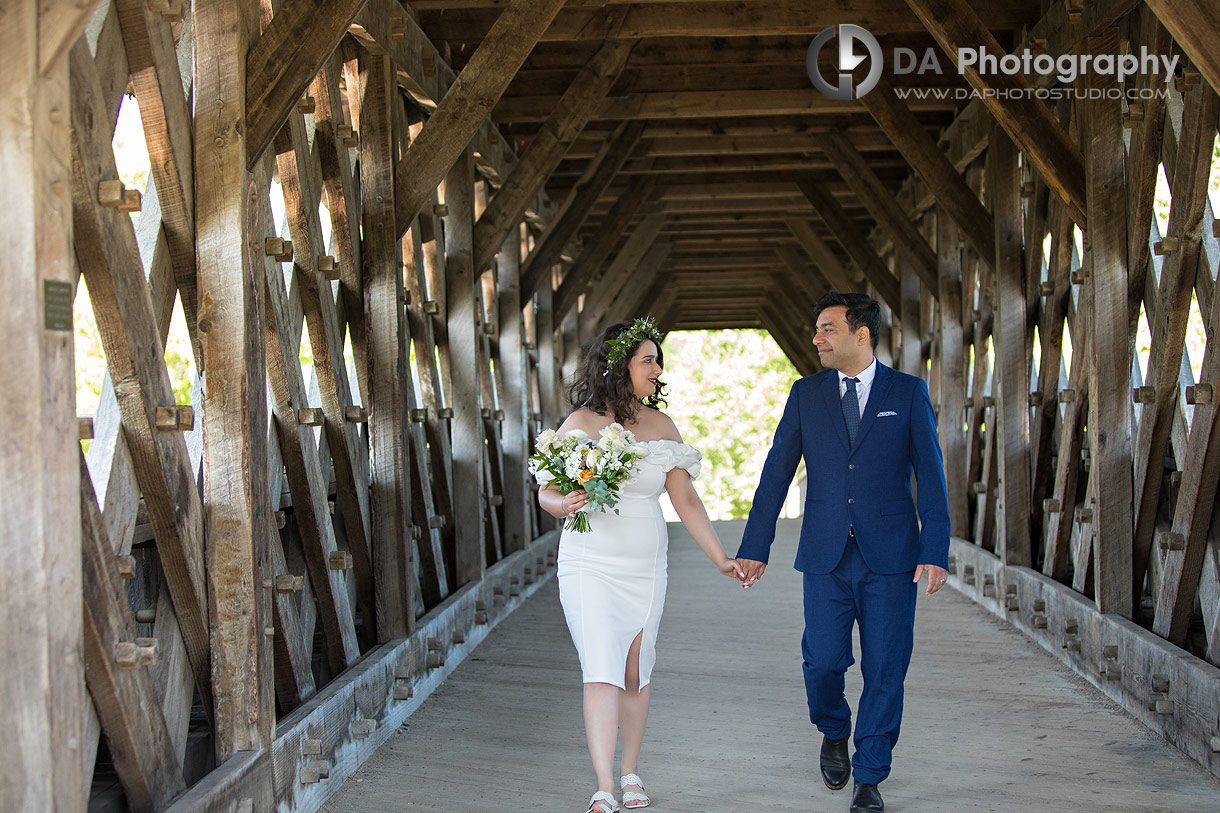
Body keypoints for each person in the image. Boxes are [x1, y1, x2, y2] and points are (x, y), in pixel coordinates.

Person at [735, 292, 951, 813]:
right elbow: (776, 473)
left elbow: (932, 476)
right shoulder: (805, 394)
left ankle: (871, 774)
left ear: (862, 334)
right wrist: (754, 547)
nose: (817, 339)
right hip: (825, 554)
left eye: (828, 329)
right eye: (816, 330)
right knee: (823, 661)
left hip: (891, 556)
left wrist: (935, 550)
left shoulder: (908, 391)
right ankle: (834, 729)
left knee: (885, 667)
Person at [536, 317, 744, 813]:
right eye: (648, 360)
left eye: (658, 361)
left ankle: (632, 771)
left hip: (645, 565)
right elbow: (546, 487)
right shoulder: (582, 423)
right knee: (600, 667)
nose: (658, 369)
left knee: (634, 669)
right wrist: (561, 504)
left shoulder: (661, 427)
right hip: (589, 561)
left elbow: (686, 501)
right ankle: (604, 785)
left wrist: (720, 558)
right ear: (619, 364)